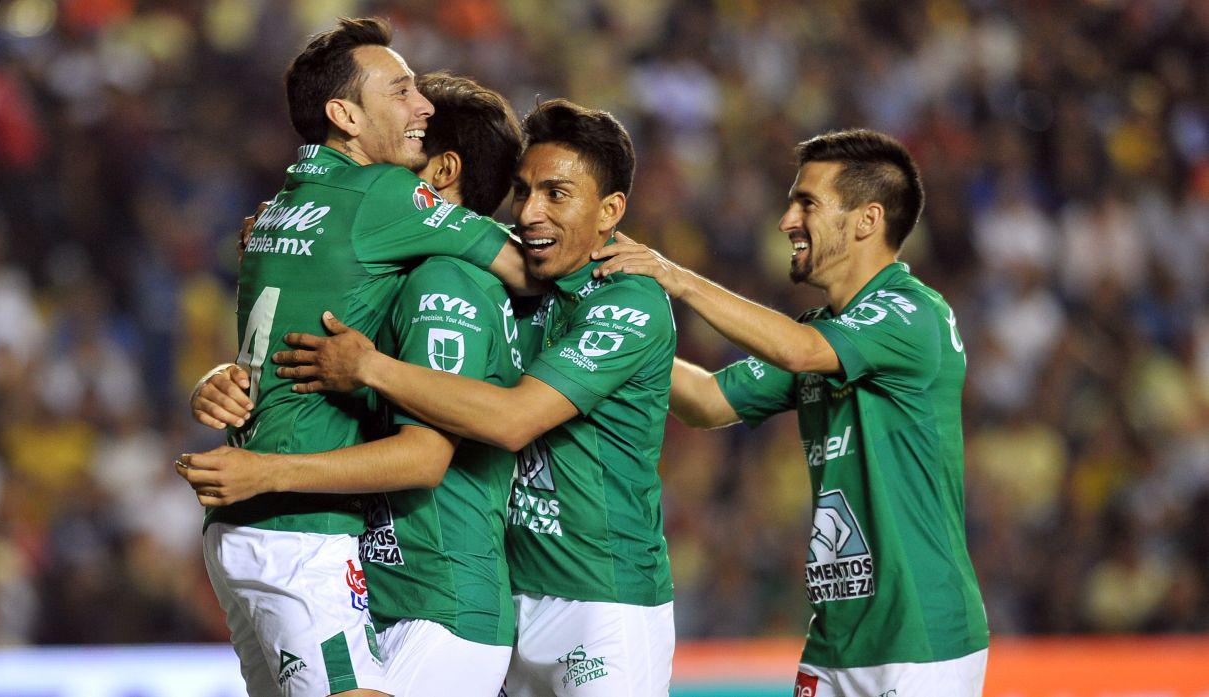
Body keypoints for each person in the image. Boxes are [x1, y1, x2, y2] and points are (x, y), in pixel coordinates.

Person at [270, 99, 678, 696]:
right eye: (523, 191)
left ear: (610, 210)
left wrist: (371, 368)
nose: (531, 212)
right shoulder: (512, 281)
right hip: (511, 598)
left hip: (603, 606)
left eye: (557, 195)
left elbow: (514, 422)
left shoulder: (627, 301)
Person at [184, 18, 533, 697]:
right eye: (400, 90)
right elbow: (529, 269)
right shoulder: (384, 196)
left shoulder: (283, 206)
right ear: (344, 114)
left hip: (239, 529)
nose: (420, 106)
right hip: (297, 528)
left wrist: (214, 381)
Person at [591, 129, 990, 696]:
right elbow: (707, 401)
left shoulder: (911, 313)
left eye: (807, 202)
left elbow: (799, 353)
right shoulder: (819, 333)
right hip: (835, 639)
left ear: (867, 220)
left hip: (920, 642)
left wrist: (673, 277)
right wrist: (604, 332)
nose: (786, 221)